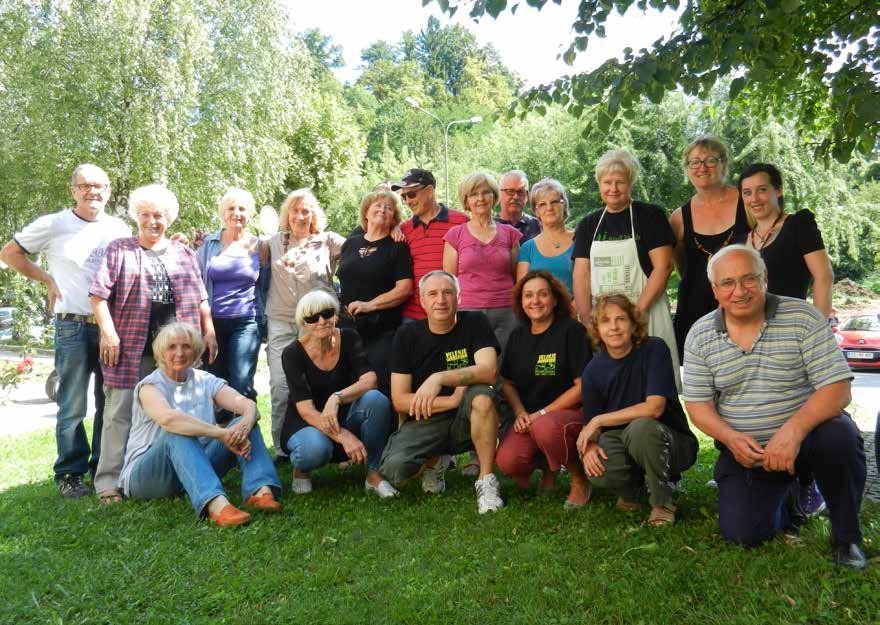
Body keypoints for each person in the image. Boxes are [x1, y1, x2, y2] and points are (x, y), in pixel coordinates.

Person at [683, 244, 867, 570]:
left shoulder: (803, 317)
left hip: (808, 437)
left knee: (839, 436)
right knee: (744, 534)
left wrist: (793, 431)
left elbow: (838, 389)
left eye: (749, 279)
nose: (739, 291)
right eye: (727, 283)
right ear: (714, 290)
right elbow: (698, 405)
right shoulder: (699, 335)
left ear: (765, 278)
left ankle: (846, 537)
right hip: (747, 450)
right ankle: (792, 497)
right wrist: (730, 439)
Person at [0, 164, 129, 498]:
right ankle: (70, 473)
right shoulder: (54, 224)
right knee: (72, 403)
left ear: (109, 190)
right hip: (71, 325)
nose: (92, 192)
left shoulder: (119, 228)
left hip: (109, 328)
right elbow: (10, 253)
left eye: (99, 186)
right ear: (73, 190)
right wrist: (45, 279)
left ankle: (103, 466)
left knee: (109, 401)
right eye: (85, 186)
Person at [89, 184, 216, 504]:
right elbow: (98, 295)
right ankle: (108, 482)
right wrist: (108, 332)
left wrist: (209, 330)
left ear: (169, 218)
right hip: (131, 346)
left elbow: (201, 298)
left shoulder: (184, 253)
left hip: (179, 349)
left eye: (158, 215)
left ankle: (178, 472)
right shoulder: (120, 249)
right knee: (119, 412)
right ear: (137, 217)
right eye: (145, 215)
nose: (152, 221)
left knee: (178, 408)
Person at [120, 322, 281, 527]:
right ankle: (217, 506)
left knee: (243, 423)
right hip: (147, 477)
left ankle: (260, 492)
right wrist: (222, 434)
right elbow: (169, 419)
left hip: (195, 465)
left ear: (195, 350)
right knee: (175, 431)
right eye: (172, 347)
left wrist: (246, 422)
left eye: (186, 346)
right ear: (161, 352)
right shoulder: (149, 386)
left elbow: (247, 405)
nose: (179, 353)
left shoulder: (204, 380)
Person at [379, 270, 505, 514]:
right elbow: (400, 400)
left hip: (469, 417)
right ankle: (434, 460)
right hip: (428, 418)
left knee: (482, 396)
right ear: (422, 300)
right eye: (433, 294)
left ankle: (486, 480)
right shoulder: (407, 335)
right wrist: (451, 400)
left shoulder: (475, 322)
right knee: (394, 470)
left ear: (459, 296)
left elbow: (489, 371)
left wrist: (439, 378)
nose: (441, 300)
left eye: (448, 293)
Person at [577, 294, 698, 526]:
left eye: (621, 319)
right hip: (624, 440)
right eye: (605, 320)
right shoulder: (592, 370)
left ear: (633, 323)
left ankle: (662, 503)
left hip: (672, 442)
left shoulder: (654, 349)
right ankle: (632, 491)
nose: (613, 327)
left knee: (642, 427)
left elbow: (654, 408)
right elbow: (591, 425)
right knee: (601, 461)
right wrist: (590, 446)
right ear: (597, 329)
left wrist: (599, 420)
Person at [572, 148, 680, 389]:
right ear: (599, 183)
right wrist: (588, 317)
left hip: (646, 313)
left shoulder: (650, 216)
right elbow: (581, 274)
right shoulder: (589, 224)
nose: (613, 188)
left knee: (652, 387)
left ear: (630, 182)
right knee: (613, 388)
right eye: (607, 182)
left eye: (620, 182)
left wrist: (637, 314)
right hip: (605, 323)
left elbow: (663, 267)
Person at [281, 289, 398, 498]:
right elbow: (306, 411)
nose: (321, 321)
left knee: (376, 399)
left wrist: (337, 398)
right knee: (315, 450)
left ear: (335, 315)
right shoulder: (292, 353)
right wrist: (344, 437)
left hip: (344, 414)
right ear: (303, 323)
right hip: (307, 423)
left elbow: (370, 380)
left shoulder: (349, 337)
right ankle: (302, 468)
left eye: (327, 313)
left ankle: (373, 474)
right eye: (312, 317)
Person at [495, 270, 592, 508]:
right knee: (508, 462)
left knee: (546, 428)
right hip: (531, 418)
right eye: (528, 295)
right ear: (521, 302)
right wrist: (520, 413)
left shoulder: (572, 331)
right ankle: (549, 468)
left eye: (543, 294)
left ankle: (579, 479)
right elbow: (506, 381)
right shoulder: (518, 336)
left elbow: (582, 387)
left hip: (570, 415)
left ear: (556, 298)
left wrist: (542, 414)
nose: (535, 301)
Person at [265, 189, 345, 461]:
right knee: (279, 386)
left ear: (314, 215)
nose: (300, 216)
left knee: (321, 385)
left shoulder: (327, 240)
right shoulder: (272, 243)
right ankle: (280, 448)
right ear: (287, 214)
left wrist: (392, 232)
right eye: (295, 210)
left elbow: (363, 248)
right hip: (281, 322)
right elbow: (238, 250)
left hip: (318, 323)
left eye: (306, 211)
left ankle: (329, 441)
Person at [670, 136, 749, 356]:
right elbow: (682, 266)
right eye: (694, 162)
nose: (702, 167)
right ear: (687, 168)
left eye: (710, 160)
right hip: (695, 311)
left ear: (724, 164)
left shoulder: (748, 204)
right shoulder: (678, 218)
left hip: (742, 306)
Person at [195, 188, 269, 420]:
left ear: (251, 214)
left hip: (246, 322)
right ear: (223, 213)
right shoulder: (208, 244)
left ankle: (249, 445)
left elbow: (266, 285)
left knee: (241, 382)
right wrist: (206, 329)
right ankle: (223, 445)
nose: (236, 213)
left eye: (242, 209)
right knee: (216, 385)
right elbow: (197, 286)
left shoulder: (261, 246)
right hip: (212, 324)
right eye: (231, 208)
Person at [337, 186, 413, 396]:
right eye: (377, 205)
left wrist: (369, 305)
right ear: (366, 212)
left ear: (394, 218)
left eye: (389, 208)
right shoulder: (350, 244)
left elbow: (405, 289)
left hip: (382, 330)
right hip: (348, 329)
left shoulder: (397, 246)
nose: (382, 210)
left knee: (377, 388)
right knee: (346, 384)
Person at [740, 163, 833, 317]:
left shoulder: (799, 225)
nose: (754, 198)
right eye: (747, 193)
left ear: (778, 190)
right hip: (749, 331)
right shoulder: (740, 240)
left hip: (791, 327)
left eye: (762, 190)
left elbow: (824, 276)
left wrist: (819, 329)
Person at [443, 171, 521, 348]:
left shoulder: (510, 234)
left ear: (494, 196)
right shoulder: (455, 235)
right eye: (474, 194)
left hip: (506, 312)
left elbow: (518, 277)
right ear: (466, 201)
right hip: (468, 311)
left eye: (486, 192)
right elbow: (449, 280)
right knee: (473, 368)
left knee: (504, 368)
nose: (481, 198)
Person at [395, 169, 468, 322]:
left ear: (429, 191)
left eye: (412, 194)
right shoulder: (403, 230)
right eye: (404, 196)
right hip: (414, 316)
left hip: (451, 313)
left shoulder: (461, 222)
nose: (408, 201)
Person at [516, 178, 575, 295]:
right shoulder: (528, 248)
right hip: (539, 311)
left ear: (564, 205)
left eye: (554, 202)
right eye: (542, 204)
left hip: (576, 311)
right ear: (536, 211)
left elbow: (590, 280)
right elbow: (522, 292)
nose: (549, 208)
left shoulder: (581, 239)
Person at [494, 170, 541, 242]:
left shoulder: (539, 227)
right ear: (499, 193)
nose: (516, 197)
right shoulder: (489, 226)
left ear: (527, 195)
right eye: (510, 191)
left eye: (521, 192)